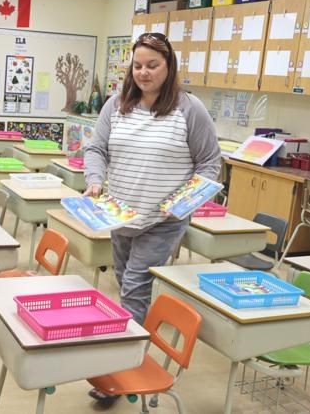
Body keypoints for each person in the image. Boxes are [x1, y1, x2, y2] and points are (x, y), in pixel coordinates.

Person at [83, 32, 220, 408]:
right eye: (138, 65)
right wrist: (95, 180)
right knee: (123, 279)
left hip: (162, 220)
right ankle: (125, 355)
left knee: (134, 288)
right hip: (120, 214)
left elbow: (210, 164)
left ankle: (121, 369)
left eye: (152, 65)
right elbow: (96, 148)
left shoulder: (190, 110)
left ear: (169, 66)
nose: (144, 72)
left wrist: (183, 202)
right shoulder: (116, 105)